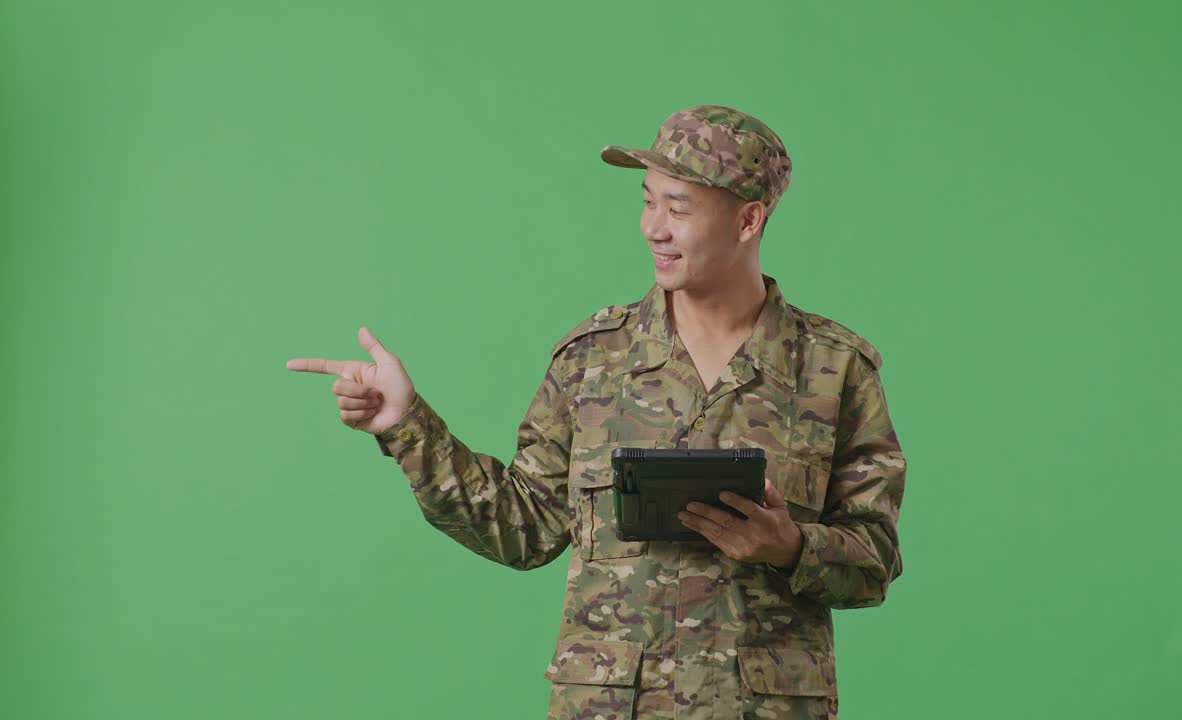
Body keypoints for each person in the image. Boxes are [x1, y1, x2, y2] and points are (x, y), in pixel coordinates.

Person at [286, 104, 907, 720]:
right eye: (648, 201)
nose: (653, 228)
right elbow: (522, 528)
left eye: (678, 208)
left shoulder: (834, 368)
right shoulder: (592, 360)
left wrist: (791, 546)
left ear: (749, 220)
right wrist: (405, 426)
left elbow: (874, 560)